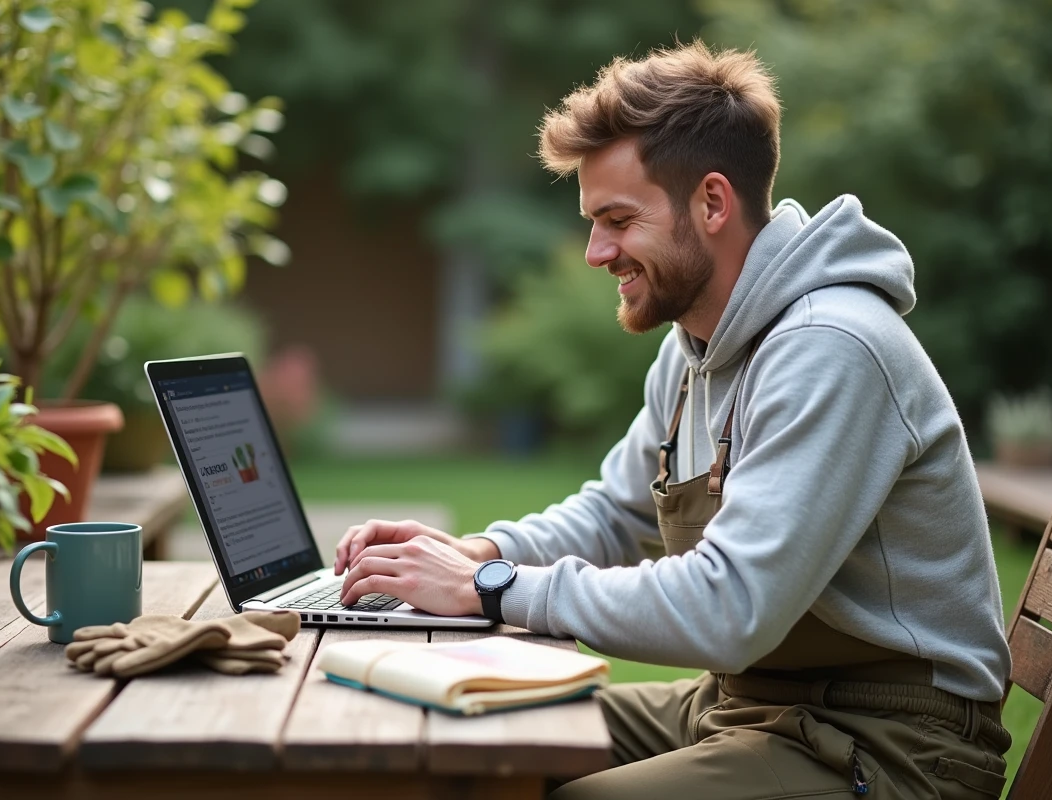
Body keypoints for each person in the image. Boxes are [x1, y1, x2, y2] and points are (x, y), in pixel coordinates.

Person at [333, 40, 1011, 799]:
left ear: (712, 203)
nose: (596, 252)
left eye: (618, 220)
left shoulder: (831, 348)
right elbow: (617, 512)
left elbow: (731, 608)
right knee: (469, 740)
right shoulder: (697, 345)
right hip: (749, 705)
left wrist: (490, 585)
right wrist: (470, 552)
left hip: (892, 748)